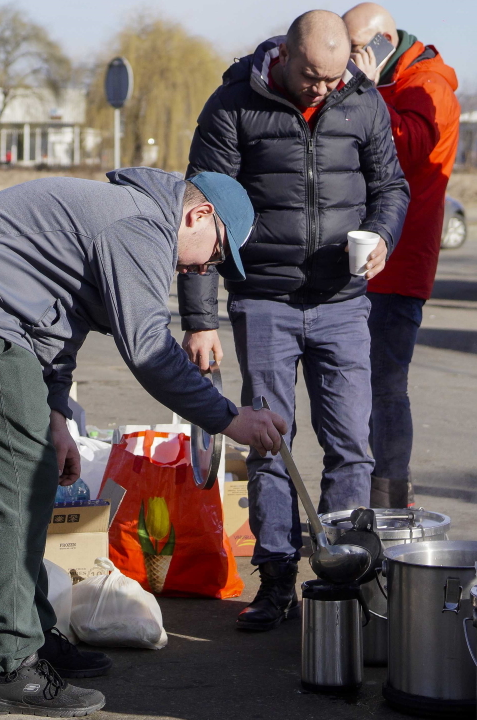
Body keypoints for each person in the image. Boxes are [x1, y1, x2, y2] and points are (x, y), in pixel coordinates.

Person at [0, 167, 288, 718]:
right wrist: (229, 419)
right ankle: (9, 668)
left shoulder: (129, 218)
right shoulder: (139, 225)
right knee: (11, 489)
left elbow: (60, 321)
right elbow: (148, 347)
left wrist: (55, 413)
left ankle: (30, 636)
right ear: (199, 216)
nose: (204, 267)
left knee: (31, 481)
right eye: (215, 253)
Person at [179, 10, 409, 632]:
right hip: (264, 301)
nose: (323, 89)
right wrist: (199, 320)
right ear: (282, 55)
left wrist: (384, 235)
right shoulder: (233, 104)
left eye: (334, 79)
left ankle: (343, 579)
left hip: (342, 304)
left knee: (351, 448)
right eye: (311, 76)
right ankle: (277, 579)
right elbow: (197, 212)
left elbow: (392, 186)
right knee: (269, 442)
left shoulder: (361, 102)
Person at [343, 3, 461, 509]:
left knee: (386, 386)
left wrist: (365, 94)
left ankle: (390, 501)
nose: (346, 60)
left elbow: (407, 147)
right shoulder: (391, 80)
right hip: (370, 259)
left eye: (353, 49)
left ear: (383, 42)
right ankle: (366, 496)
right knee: (359, 385)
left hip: (400, 262)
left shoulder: (428, 84)